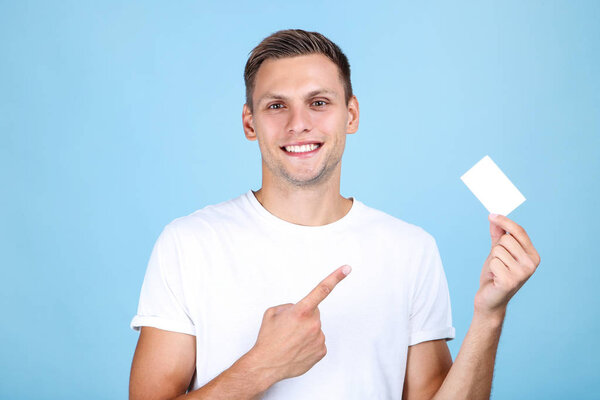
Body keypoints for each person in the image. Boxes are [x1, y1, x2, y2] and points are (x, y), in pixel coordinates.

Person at [129, 29, 540, 400]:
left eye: (319, 102)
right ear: (249, 123)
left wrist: (490, 315)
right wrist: (261, 367)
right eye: (276, 106)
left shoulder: (410, 249)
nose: (298, 124)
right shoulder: (188, 243)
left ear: (352, 114)